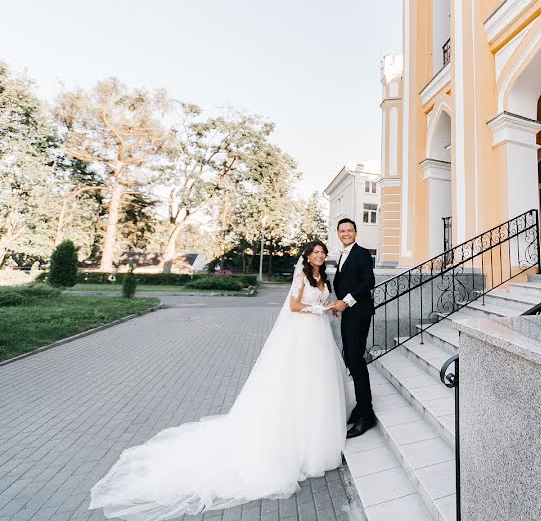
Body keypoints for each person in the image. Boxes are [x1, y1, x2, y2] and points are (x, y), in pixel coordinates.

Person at [89, 240, 353, 521]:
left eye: (322, 252)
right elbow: (294, 305)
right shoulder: (301, 275)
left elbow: (320, 301)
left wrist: (331, 306)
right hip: (303, 333)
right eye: (315, 252)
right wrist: (322, 309)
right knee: (298, 382)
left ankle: (315, 434)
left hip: (319, 335)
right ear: (307, 255)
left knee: (316, 384)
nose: (320, 255)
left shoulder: (323, 276)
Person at [331, 218, 377, 439]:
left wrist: (345, 301)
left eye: (350, 230)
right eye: (342, 230)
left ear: (356, 233)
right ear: (338, 233)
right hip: (349, 314)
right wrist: (339, 304)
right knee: (350, 358)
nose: (346, 233)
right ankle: (361, 406)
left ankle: (366, 416)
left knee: (355, 360)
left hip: (359, 313)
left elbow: (368, 281)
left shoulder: (362, 253)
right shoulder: (343, 254)